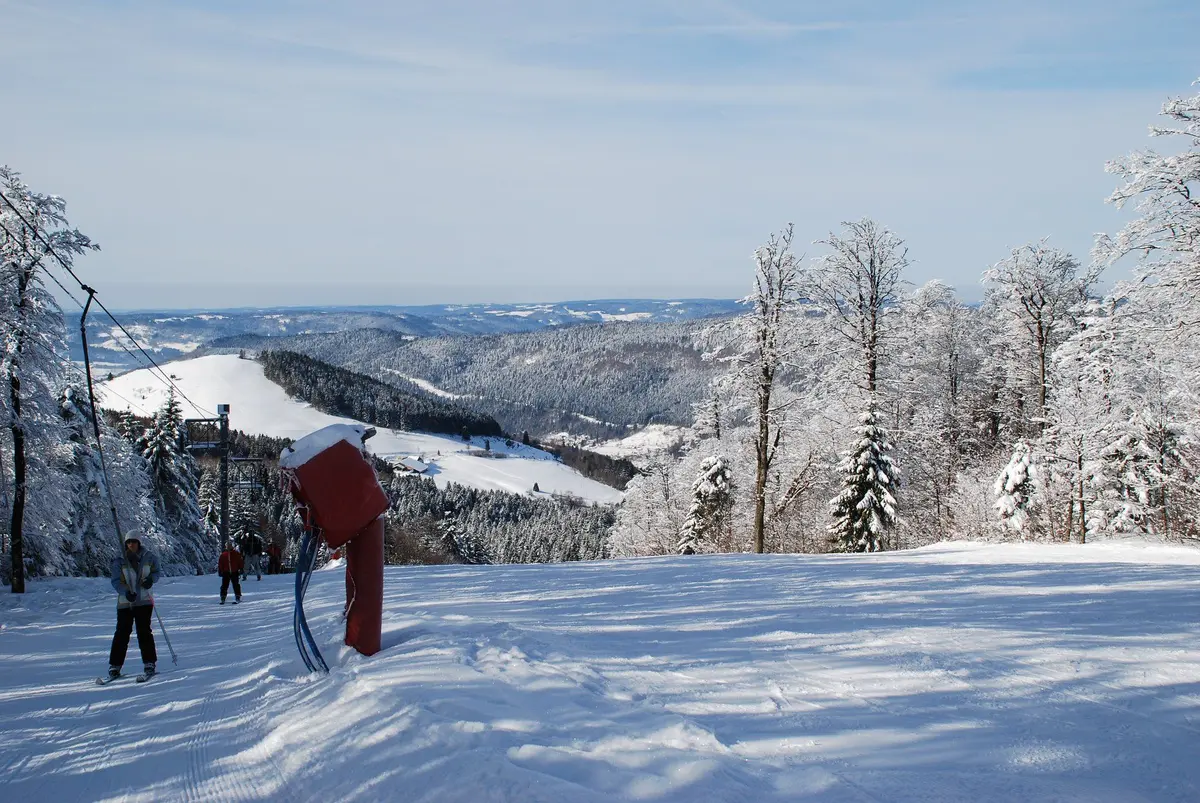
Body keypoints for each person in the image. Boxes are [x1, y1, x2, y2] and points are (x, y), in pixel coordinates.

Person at [107, 534, 159, 680]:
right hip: (126, 602)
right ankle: (115, 665)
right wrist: (125, 592)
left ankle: (149, 662)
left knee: (144, 631)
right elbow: (116, 581)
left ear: (139, 543)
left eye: (134, 542)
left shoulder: (149, 557)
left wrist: (150, 580)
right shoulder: (119, 560)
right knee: (122, 633)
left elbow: (157, 572)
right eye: (129, 542)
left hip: (144, 600)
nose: (131, 545)